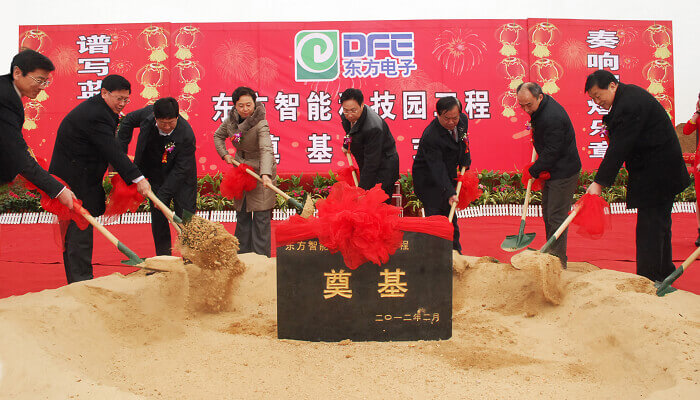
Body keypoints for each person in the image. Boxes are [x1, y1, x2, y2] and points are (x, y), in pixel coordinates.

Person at [585, 70, 689, 282]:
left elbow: (619, 148)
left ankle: (648, 280)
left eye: (598, 95)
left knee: (650, 227)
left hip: (658, 173)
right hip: (657, 171)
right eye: (593, 98)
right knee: (658, 225)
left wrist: (599, 183)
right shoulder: (627, 98)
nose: (597, 102)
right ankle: (663, 273)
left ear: (612, 85)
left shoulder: (629, 104)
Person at [49, 74, 151, 283]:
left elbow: (108, 148)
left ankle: (78, 279)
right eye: (119, 98)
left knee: (80, 227)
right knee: (80, 226)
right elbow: (111, 149)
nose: (122, 104)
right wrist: (137, 178)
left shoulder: (102, 110)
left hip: (84, 175)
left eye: (126, 99)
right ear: (104, 93)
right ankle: (81, 281)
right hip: (74, 179)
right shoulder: (96, 114)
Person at [117, 97, 197, 256]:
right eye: (162, 123)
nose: (166, 127)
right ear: (155, 117)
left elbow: (181, 169)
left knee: (186, 219)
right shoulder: (147, 114)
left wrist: (163, 196)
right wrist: (121, 152)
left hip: (182, 179)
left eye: (171, 123)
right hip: (155, 172)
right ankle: (163, 258)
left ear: (177, 117)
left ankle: (190, 259)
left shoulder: (186, 134)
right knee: (158, 218)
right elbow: (127, 121)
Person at [517, 82, 581, 268]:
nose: (526, 110)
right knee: (548, 213)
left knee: (556, 216)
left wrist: (533, 170)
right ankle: (552, 256)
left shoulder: (552, 117)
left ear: (540, 97)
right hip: (552, 170)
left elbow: (553, 151)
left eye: (529, 105)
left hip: (563, 171)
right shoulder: (540, 110)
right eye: (522, 105)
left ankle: (558, 262)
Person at [0, 49, 75, 208]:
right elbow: (17, 154)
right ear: (17, 73)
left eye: (45, 82)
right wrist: (58, 190)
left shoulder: (7, 92)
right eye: (39, 80)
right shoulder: (5, 98)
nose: (42, 87)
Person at [213, 86, 276, 257]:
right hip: (241, 169)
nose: (245, 109)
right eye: (241, 105)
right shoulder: (231, 121)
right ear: (235, 105)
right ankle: (243, 258)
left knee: (261, 217)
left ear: (254, 103)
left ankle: (261, 259)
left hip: (260, 170)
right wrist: (225, 154)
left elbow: (266, 149)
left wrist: (265, 174)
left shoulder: (261, 123)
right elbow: (218, 136)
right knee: (242, 215)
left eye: (249, 105)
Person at [412, 96, 470, 253]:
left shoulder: (462, 121)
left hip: (447, 172)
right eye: (446, 118)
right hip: (428, 180)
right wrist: (450, 192)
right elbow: (437, 167)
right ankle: (436, 256)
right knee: (437, 220)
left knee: (451, 217)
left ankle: (455, 253)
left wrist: (465, 160)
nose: (451, 122)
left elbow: (464, 141)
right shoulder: (431, 136)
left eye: (454, 118)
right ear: (437, 115)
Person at [340, 88, 399, 200]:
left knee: (378, 203)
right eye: (346, 110)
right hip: (368, 162)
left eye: (353, 110)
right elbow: (349, 132)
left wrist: (362, 190)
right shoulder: (347, 115)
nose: (349, 115)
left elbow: (371, 164)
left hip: (384, 167)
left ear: (362, 105)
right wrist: (346, 145)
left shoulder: (373, 127)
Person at [681, 92, 700, 246]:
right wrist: (696, 114)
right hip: (698, 161)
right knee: (699, 198)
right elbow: (686, 131)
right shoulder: (698, 116)